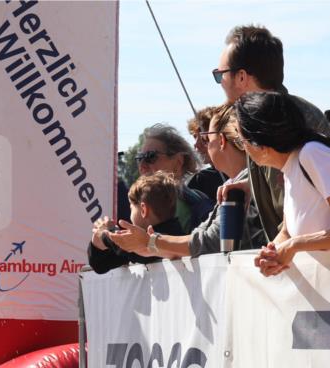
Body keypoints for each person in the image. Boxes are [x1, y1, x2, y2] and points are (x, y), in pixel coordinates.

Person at [235, 92, 330, 276]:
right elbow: (288, 232)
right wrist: (270, 255)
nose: (244, 149)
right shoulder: (292, 165)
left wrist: (294, 245)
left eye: (241, 141)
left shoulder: (312, 154)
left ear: (259, 142)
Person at [214, 25, 330, 241]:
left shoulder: (271, 122)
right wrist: (251, 184)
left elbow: (291, 212)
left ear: (241, 77)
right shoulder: (286, 111)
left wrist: (273, 258)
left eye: (219, 75)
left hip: (312, 259)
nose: (220, 83)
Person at [109, 104, 264, 258]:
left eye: (205, 139)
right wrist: (146, 245)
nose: (142, 165)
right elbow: (200, 236)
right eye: (139, 158)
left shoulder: (249, 185)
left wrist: (150, 242)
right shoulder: (234, 185)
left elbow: (210, 242)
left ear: (222, 140)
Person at [89, 172, 184, 274]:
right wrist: (96, 244)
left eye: (131, 208)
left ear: (143, 210)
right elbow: (101, 265)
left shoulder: (172, 236)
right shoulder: (177, 234)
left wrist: (107, 235)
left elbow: (144, 252)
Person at [134, 124, 213, 233]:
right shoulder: (199, 199)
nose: (142, 165)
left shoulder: (197, 204)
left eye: (150, 156)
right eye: (139, 158)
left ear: (178, 161)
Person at [186, 106, 227, 200]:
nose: (196, 144)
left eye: (204, 138)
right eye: (195, 137)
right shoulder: (199, 180)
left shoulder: (250, 172)